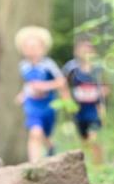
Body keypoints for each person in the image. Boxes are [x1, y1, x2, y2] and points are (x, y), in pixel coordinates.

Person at [15, 25, 65, 163]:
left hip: (48, 104)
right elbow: (29, 84)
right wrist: (23, 94)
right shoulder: (23, 66)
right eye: (28, 47)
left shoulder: (48, 65)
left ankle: (50, 146)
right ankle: (34, 163)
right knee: (35, 132)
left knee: (44, 133)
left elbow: (61, 82)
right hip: (32, 104)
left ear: (42, 48)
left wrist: (45, 86)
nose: (31, 50)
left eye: (35, 47)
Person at [62, 37, 107, 164]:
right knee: (84, 139)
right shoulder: (71, 67)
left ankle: (99, 166)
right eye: (82, 49)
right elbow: (63, 84)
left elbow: (106, 87)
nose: (85, 52)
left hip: (94, 107)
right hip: (78, 108)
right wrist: (67, 101)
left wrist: (100, 96)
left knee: (94, 137)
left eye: (88, 49)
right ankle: (90, 163)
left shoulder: (99, 68)